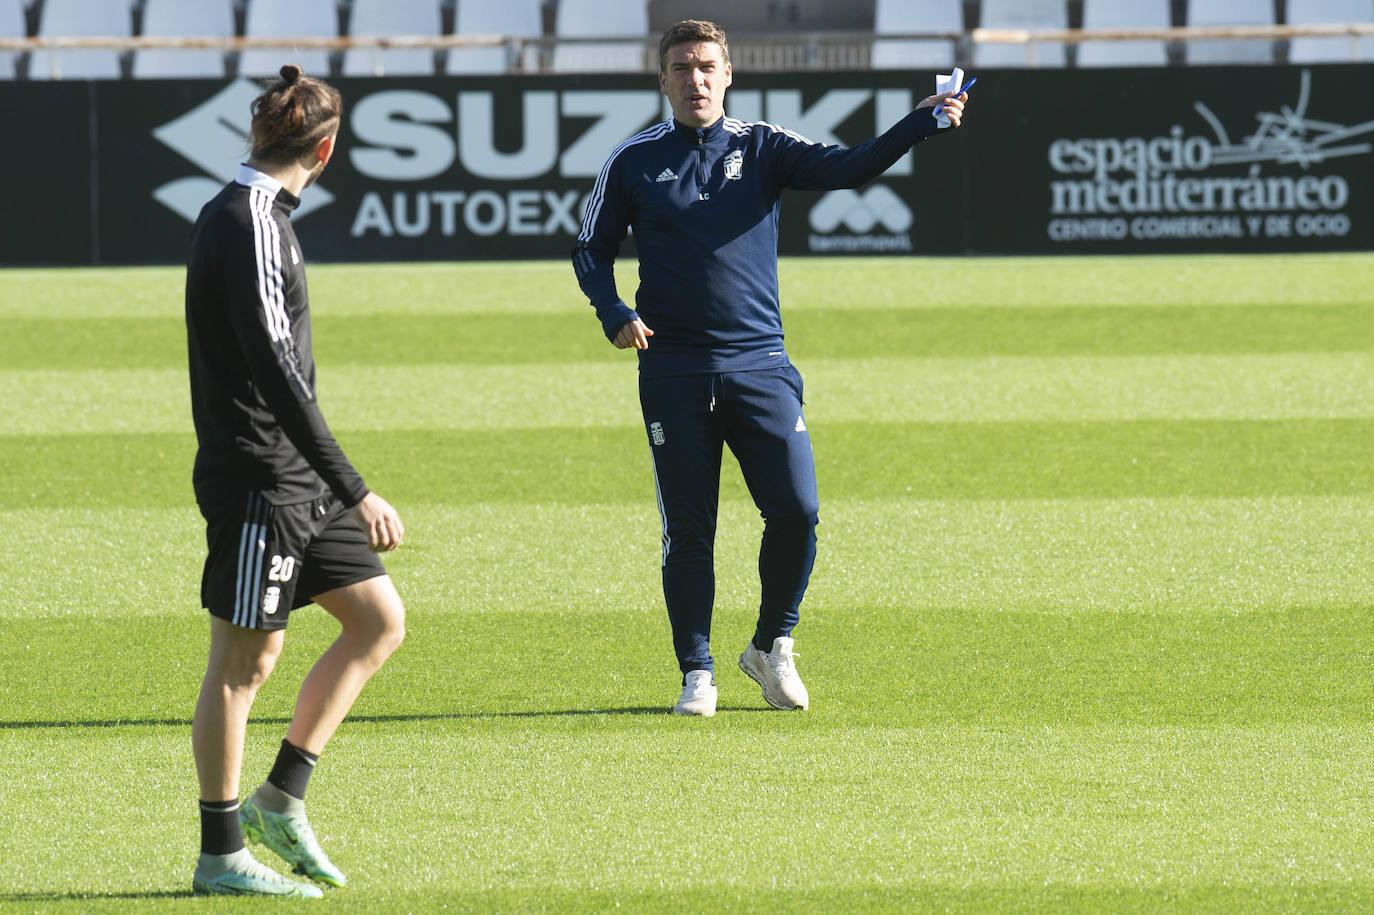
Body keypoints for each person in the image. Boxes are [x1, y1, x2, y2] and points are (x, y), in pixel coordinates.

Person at [572, 20, 968, 717]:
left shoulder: (763, 146)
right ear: (661, 80)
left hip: (760, 364)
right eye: (681, 68)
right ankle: (697, 671)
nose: (695, 79)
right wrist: (613, 311)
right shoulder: (632, 160)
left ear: (728, 75)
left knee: (797, 511)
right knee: (689, 529)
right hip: (673, 370)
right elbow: (589, 250)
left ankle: (771, 645)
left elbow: (848, 167)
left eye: (707, 67)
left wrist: (919, 124)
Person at [185, 64, 406, 897]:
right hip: (261, 480)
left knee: (377, 621)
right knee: (243, 664)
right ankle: (221, 853)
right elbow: (278, 374)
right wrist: (356, 487)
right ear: (326, 148)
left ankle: (281, 798)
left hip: (295, 476)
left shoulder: (257, 214)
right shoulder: (249, 223)